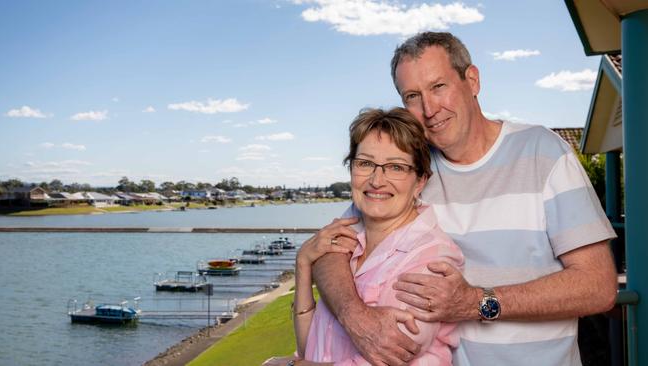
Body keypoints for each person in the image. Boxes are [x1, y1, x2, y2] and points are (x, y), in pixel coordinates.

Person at [311, 32, 618, 366]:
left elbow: (598, 286)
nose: (429, 109)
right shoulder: (409, 170)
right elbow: (331, 248)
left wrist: (475, 302)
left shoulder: (543, 151)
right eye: (413, 96)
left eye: (438, 87)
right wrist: (356, 317)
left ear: (472, 80)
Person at [264, 107, 464, 366]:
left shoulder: (431, 259)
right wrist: (303, 264)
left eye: (395, 167)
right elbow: (312, 346)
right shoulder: (345, 235)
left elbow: (393, 355)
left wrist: (289, 365)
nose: (377, 180)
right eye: (366, 163)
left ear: (420, 181)